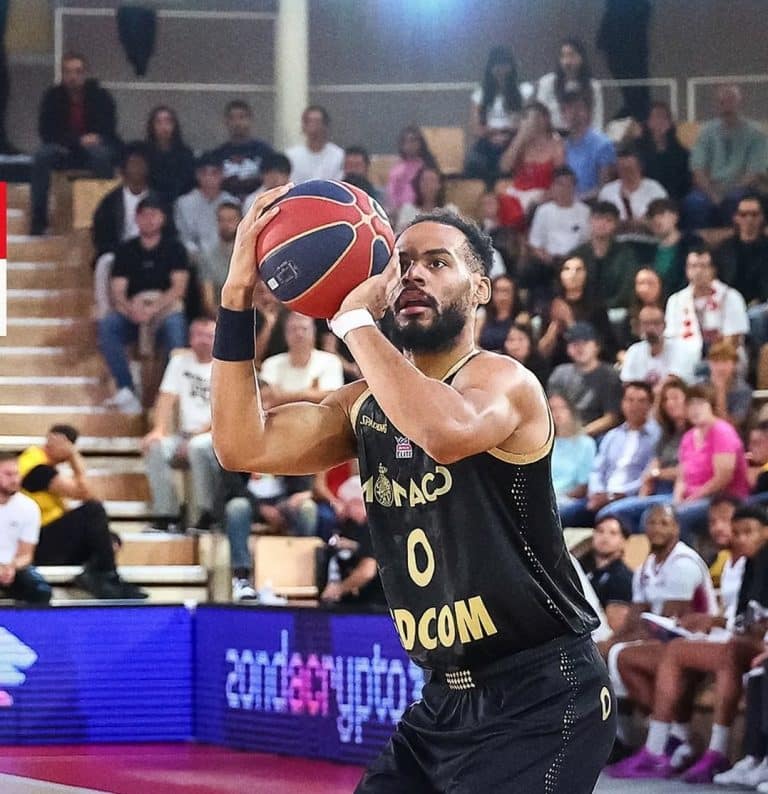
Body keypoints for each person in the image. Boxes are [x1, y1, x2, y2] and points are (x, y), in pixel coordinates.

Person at [211, 193, 615, 792]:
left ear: (481, 289)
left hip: (542, 692)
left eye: (437, 262)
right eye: (401, 263)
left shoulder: (503, 379)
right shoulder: (365, 404)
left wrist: (354, 324)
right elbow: (241, 445)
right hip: (443, 701)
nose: (413, 274)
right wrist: (235, 298)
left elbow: (445, 432)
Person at [608, 504, 768, 782]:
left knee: (699, 652)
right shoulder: (745, 563)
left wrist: (715, 622)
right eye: (737, 531)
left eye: (748, 532)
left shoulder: (686, 563)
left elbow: (754, 621)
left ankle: (689, 746)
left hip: (744, 642)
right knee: (645, 653)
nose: (739, 537)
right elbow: (745, 617)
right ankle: (673, 740)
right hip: (734, 638)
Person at [18, 425, 146, 599]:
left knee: (110, 538)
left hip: (50, 540)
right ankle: (104, 575)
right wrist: (73, 457)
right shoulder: (35, 467)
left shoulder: (45, 467)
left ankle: (99, 575)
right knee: (93, 511)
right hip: (36, 545)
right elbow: (86, 494)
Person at [99, 195, 190, 413]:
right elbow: (118, 290)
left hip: (164, 308)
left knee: (176, 327)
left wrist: (153, 309)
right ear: (136, 218)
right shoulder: (126, 249)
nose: (149, 220)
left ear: (162, 218)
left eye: (153, 215)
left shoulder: (175, 248)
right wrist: (133, 310)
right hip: (134, 309)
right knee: (109, 325)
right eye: (144, 215)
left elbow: (178, 288)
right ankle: (126, 388)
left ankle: (167, 392)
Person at [141, 317, 219, 532]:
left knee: (197, 447)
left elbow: (226, 413)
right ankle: (167, 514)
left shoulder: (225, 366)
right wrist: (158, 430)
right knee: (155, 447)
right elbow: (166, 398)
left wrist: (196, 436)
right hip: (184, 435)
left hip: (215, 436)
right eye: (198, 335)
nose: (203, 340)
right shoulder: (179, 362)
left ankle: (207, 514)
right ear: (190, 338)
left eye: (209, 336)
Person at [30, 52, 120, 236]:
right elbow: (46, 131)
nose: (73, 77)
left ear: (85, 74)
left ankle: (104, 221)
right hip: (63, 149)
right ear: (63, 74)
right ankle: (39, 222)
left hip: (93, 150)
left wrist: (95, 138)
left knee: (102, 155)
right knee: (41, 156)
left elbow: (109, 128)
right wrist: (77, 141)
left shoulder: (101, 96)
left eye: (78, 72)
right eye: (68, 72)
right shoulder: (52, 96)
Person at [559, 380, 660, 528]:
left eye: (641, 401)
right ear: (622, 403)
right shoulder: (612, 436)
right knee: (561, 516)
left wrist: (614, 496)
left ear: (650, 405)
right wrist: (597, 492)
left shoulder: (657, 437)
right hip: (601, 496)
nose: (634, 406)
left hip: (629, 498)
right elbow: (597, 470)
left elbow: (647, 476)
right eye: (630, 400)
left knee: (608, 514)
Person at [684, 84, 768, 229]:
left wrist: (729, 191)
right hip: (710, 188)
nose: (727, 106)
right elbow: (697, 169)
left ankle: (735, 242)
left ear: (740, 103)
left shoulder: (756, 133)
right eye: (722, 102)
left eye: (731, 101)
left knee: (734, 200)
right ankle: (698, 242)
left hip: (743, 188)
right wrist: (712, 194)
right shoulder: (706, 132)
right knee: (693, 203)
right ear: (717, 105)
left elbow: (755, 172)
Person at [91, 142, 151, 320]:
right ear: (124, 168)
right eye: (133, 164)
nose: (137, 169)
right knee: (104, 262)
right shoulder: (110, 202)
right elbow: (101, 237)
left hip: (153, 250)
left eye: (141, 163)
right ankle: (104, 312)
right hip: (120, 252)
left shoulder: (158, 199)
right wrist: (124, 251)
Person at [665, 244, 749, 363]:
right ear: (686, 270)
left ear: (713, 269)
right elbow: (671, 338)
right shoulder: (676, 300)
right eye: (693, 266)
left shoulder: (731, 296)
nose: (698, 271)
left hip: (723, 359)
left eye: (703, 266)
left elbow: (733, 338)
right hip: (686, 360)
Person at [317, 475, 385, 608]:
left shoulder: (372, 529)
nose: (343, 508)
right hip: (349, 602)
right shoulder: (345, 528)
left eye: (346, 502)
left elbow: (367, 571)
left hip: (373, 606)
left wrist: (339, 589)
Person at [546, 321, 623, 437]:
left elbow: (611, 417)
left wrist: (581, 434)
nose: (579, 348)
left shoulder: (610, 375)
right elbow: (551, 408)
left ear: (597, 346)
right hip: (561, 433)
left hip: (597, 436)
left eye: (585, 343)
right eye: (574, 344)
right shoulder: (560, 373)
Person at [537, 258, 617, 368]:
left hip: (589, 366)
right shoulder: (551, 307)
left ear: (586, 274)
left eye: (578, 270)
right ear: (560, 275)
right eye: (567, 269)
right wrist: (554, 328)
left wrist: (569, 320)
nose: (573, 274)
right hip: (557, 366)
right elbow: (541, 353)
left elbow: (605, 346)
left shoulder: (596, 307)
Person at [716, 193, 768, 350]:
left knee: (756, 316)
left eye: (754, 214)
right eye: (744, 214)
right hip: (730, 303)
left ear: (762, 218)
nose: (749, 219)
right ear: (736, 218)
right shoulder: (724, 249)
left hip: (762, 305)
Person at [464, 46, 523, 184]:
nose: (501, 71)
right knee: (473, 163)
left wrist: (505, 132)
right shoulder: (480, 95)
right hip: (487, 141)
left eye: (505, 65)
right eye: (497, 66)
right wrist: (495, 132)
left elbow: (524, 124)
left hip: (514, 141)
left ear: (511, 67)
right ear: (490, 68)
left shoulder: (524, 91)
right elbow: (475, 129)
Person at [0, 453, 51, 604]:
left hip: (12, 567)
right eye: (8, 474)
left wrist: (11, 567)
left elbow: (26, 554)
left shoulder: (29, 507)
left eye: (17, 474)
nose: (15, 480)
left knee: (40, 590)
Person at [571, 201, 639, 309]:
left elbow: (627, 288)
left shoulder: (626, 254)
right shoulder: (577, 254)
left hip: (617, 310)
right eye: (597, 218)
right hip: (582, 310)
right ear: (590, 220)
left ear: (616, 224)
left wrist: (606, 307)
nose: (602, 224)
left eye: (608, 220)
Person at [498, 101, 565, 213]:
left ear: (546, 119)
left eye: (538, 117)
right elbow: (505, 167)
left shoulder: (557, 144)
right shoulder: (520, 144)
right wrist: (521, 136)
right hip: (517, 194)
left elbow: (561, 176)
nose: (534, 122)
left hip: (542, 196)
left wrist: (547, 196)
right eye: (529, 118)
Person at [174, 152, 238, 261]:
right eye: (204, 173)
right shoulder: (183, 203)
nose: (209, 178)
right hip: (194, 259)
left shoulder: (232, 202)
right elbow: (183, 237)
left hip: (227, 258)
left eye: (214, 173)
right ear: (197, 175)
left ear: (222, 175)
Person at [533, 38, 604, 133]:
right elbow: (540, 115)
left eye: (572, 55)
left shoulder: (593, 86)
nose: (567, 61)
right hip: (553, 136)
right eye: (563, 56)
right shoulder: (547, 82)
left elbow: (597, 120)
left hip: (583, 136)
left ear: (582, 58)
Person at [620, 305, 699, 387]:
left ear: (664, 325)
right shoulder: (634, 351)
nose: (651, 328)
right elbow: (627, 382)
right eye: (646, 324)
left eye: (656, 323)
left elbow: (674, 381)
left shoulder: (680, 349)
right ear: (639, 327)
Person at [210, 99, 273, 200]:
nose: (237, 123)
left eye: (242, 117)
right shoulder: (217, 154)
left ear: (250, 120)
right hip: (225, 205)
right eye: (232, 118)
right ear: (226, 122)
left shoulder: (265, 152)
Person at [579, 516, 633, 632]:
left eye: (613, 533)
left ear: (623, 541)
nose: (605, 537)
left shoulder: (622, 577)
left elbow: (615, 628)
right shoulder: (585, 570)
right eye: (600, 531)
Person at [527, 166, 591, 262]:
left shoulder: (585, 211)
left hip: (577, 261)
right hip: (549, 261)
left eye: (569, 185)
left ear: (575, 187)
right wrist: (547, 259)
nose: (565, 189)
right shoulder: (543, 211)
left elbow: (588, 241)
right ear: (553, 187)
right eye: (561, 185)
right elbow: (535, 244)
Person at [560, 91, 616, 200]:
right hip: (566, 203)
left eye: (578, 108)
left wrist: (577, 200)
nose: (574, 113)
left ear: (588, 112)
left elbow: (605, 187)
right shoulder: (562, 145)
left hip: (592, 203)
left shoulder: (603, 144)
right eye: (568, 109)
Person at [597, 149, 667, 231]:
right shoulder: (607, 191)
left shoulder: (655, 189)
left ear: (640, 167)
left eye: (629, 168)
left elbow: (663, 219)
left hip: (648, 235)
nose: (626, 172)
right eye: (622, 168)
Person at [634, 101, 691, 202]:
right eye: (655, 117)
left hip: (673, 196)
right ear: (648, 121)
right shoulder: (636, 147)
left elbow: (683, 179)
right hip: (644, 195)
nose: (659, 121)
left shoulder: (679, 150)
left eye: (664, 117)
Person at [645, 197, 701, 297]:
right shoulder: (646, 250)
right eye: (652, 216)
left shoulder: (692, 244)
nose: (656, 219)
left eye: (662, 214)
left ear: (675, 217)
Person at [549, 391, 596, 510]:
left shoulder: (586, 444)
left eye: (562, 408)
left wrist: (557, 498)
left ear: (572, 410)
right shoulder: (547, 443)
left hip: (568, 500)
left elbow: (583, 486)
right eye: (552, 409)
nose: (557, 413)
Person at [144, 104, 196, 205]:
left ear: (174, 125)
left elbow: (188, 184)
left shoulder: (185, 154)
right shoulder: (143, 154)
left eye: (168, 122)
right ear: (152, 126)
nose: (164, 127)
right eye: (159, 122)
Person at [200, 201, 242, 318]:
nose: (225, 225)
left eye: (230, 220)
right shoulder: (207, 257)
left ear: (241, 222)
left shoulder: (251, 253)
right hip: (221, 315)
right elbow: (208, 302)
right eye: (221, 220)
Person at [703, 338, 753, 430]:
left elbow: (729, 427)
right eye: (716, 362)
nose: (721, 368)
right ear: (709, 363)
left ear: (734, 364)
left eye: (725, 362)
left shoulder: (743, 390)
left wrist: (720, 391)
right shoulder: (700, 387)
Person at [286, 105, 344, 184]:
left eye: (317, 122)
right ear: (303, 126)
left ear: (325, 125)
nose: (313, 126)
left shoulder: (339, 155)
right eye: (309, 122)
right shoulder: (291, 155)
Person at [385, 125, 436, 214]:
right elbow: (391, 194)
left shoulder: (428, 166)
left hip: (423, 210)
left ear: (420, 143)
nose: (409, 145)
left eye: (413, 140)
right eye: (405, 141)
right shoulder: (396, 170)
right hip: (399, 212)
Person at [394, 167, 458, 234]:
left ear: (439, 185)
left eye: (432, 181)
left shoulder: (450, 210)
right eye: (424, 181)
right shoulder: (408, 210)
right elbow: (399, 235)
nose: (428, 184)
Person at [474, 275, 522, 351]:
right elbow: (474, 342)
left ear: (514, 293)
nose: (502, 296)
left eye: (506, 291)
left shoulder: (521, 318)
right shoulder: (482, 315)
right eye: (497, 291)